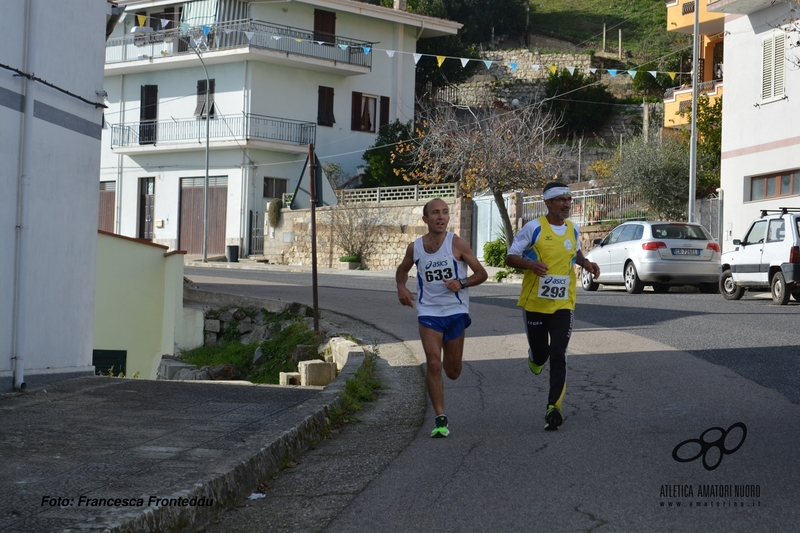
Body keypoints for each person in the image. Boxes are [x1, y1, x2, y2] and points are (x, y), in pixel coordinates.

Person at [505, 182, 600, 431]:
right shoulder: (534, 228)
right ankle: (535, 357)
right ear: (548, 203)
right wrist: (531, 265)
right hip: (535, 303)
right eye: (561, 199)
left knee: (559, 351)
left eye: (569, 199)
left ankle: (553, 407)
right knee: (541, 354)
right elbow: (510, 256)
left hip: (563, 303)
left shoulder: (573, 228)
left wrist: (586, 263)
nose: (567, 204)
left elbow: (575, 254)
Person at [396, 198, 488, 438]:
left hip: (455, 312)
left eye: (445, 213)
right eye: (435, 213)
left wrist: (462, 282)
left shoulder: (457, 244)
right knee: (434, 363)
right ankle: (440, 418)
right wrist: (401, 287)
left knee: (453, 371)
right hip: (428, 312)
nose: (441, 217)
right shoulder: (415, 247)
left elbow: (482, 273)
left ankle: (447, 380)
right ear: (425, 219)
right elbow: (402, 270)